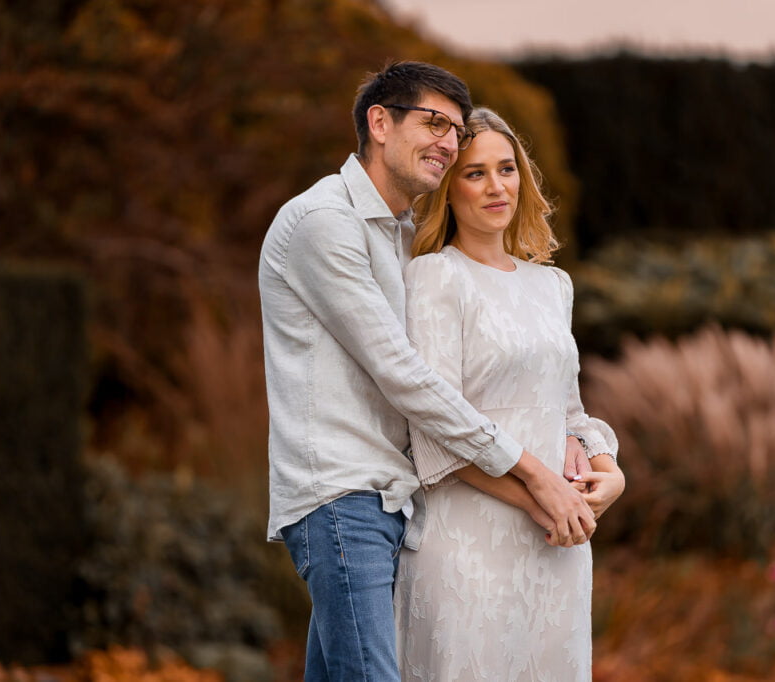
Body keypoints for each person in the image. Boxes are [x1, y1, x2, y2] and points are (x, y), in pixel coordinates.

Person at [258, 62, 599, 681]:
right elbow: (403, 374)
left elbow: (555, 398)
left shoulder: (402, 233)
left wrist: (586, 453)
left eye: (455, 127)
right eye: (434, 122)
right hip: (342, 495)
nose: (447, 139)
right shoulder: (323, 224)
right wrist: (532, 473)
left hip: (396, 500)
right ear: (379, 123)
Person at [394, 107, 626, 681]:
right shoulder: (435, 277)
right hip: (472, 542)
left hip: (559, 543)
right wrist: (537, 499)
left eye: (507, 168)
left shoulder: (552, 285)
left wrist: (609, 470)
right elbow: (435, 431)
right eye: (475, 174)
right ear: (447, 190)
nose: (496, 187)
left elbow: (569, 412)